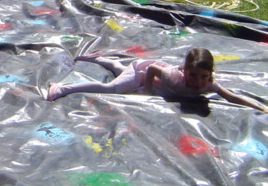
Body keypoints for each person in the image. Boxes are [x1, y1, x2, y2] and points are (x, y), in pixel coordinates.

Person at [46, 48, 268, 113]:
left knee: (118, 70)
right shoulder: (174, 76)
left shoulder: (209, 84)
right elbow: (151, 68)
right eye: (193, 75)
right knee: (112, 88)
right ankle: (62, 87)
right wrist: (148, 91)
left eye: (203, 77)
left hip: (146, 75)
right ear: (185, 71)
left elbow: (231, 96)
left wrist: (260, 107)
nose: (198, 82)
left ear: (210, 75)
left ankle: (104, 60)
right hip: (142, 70)